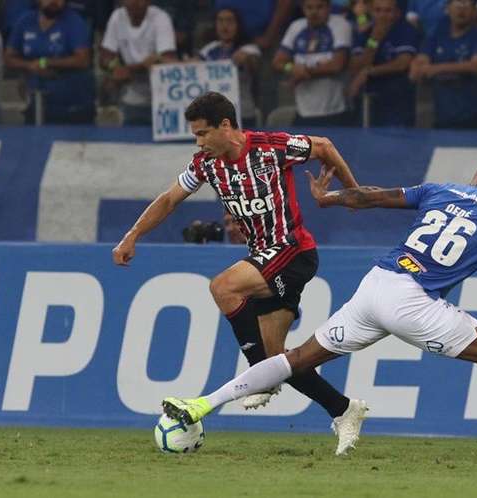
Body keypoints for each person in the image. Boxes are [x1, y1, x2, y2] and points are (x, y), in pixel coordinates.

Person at [163, 159, 477, 460]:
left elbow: (373, 197)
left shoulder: (440, 190)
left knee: (299, 359)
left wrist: (333, 198)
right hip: (412, 300)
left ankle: (203, 404)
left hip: (376, 284)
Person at [112, 91, 366, 455]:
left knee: (223, 288)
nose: (198, 142)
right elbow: (168, 199)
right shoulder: (206, 164)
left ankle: (257, 374)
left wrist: (354, 194)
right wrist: (132, 234)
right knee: (280, 361)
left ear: (226, 126)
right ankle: (344, 410)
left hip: (293, 250)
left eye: (202, 134)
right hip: (263, 258)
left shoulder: (271, 147)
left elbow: (324, 145)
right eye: (195, 135)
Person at [4, 0, 95, 125]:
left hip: (72, 106)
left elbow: (83, 60)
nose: (54, 1)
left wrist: (45, 62)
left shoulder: (74, 22)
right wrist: (29, 66)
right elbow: (9, 58)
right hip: (37, 103)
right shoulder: (25, 21)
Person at [409, 0, 477, 130]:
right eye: (457, 5)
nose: (461, 10)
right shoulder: (437, 34)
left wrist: (436, 68)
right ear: (447, 8)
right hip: (444, 117)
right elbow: (422, 60)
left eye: (466, 6)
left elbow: (476, 66)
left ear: (474, 11)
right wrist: (416, 67)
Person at [272, 0, 352, 127]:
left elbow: (337, 64)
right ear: (303, 9)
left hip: (334, 111)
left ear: (329, 7)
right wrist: (291, 68)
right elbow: (278, 62)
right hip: (303, 112)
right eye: (309, 7)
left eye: (319, 7)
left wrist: (304, 73)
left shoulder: (340, 25)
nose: (314, 12)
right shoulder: (296, 26)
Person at [99, 0, 178, 126]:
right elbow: (105, 56)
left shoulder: (160, 17)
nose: (135, 2)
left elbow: (167, 61)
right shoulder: (117, 16)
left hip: (160, 98)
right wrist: (114, 67)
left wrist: (129, 69)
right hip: (131, 96)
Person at [348, 0, 420, 127]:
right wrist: (374, 40)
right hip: (369, 101)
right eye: (378, 10)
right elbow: (356, 67)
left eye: (388, 11)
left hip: (398, 101)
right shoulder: (365, 33)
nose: (382, 15)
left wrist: (369, 71)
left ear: (397, 12)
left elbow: (402, 63)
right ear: (371, 11)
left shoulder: (406, 30)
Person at [199, 8, 261, 128]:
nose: (224, 25)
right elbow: (194, 67)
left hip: (242, 114)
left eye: (229, 21)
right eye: (220, 21)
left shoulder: (249, 49)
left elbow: (255, 64)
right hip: (214, 117)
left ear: (238, 25)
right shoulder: (208, 50)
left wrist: (247, 59)